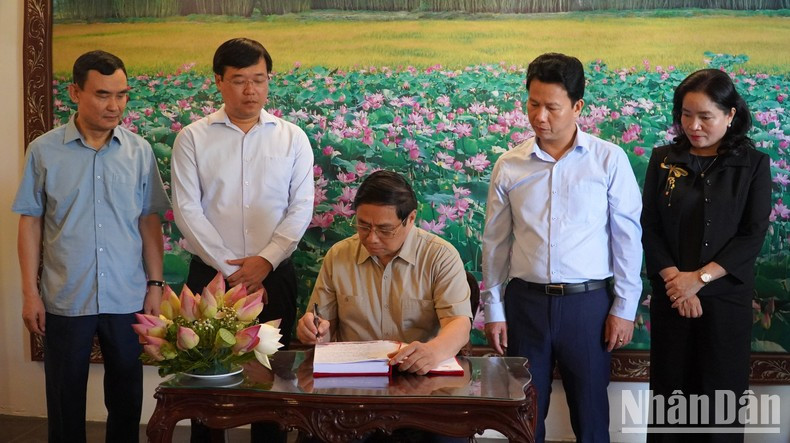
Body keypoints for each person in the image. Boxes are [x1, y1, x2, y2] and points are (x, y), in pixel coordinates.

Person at [481, 52, 643, 443]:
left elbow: (627, 239)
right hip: (526, 306)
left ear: (577, 107)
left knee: (590, 419)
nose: (540, 117)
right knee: (524, 419)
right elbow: (495, 244)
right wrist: (495, 310)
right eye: (533, 104)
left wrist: (624, 308)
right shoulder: (510, 165)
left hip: (587, 308)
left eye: (552, 107)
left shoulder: (608, 160)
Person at [13, 50, 170, 443]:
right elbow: (30, 223)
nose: (114, 105)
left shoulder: (139, 152)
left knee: (127, 397)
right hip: (66, 295)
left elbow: (149, 221)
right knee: (64, 401)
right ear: (75, 92)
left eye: (122, 94)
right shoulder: (44, 151)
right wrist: (30, 293)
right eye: (102, 94)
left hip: (126, 294)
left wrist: (154, 285)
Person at [170, 37, 314, 442]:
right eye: (239, 80)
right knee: (207, 384)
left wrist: (264, 262)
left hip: (275, 276)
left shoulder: (292, 138)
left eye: (259, 79)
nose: (250, 90)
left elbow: (300, 207)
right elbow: (187, 210)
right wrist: (233, 273)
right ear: (218, 81)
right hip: (210, 278)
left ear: (269, 81)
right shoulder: (192, 139)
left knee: (273, 383)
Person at [641, 69, 771, 441]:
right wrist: (675, 282)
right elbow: (649, 225)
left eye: (705, 117)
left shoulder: (753, 164)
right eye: (685, 114)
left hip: (724, 303)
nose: (693, 126)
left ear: (730, 115)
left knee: (720, 408)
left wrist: (697, 281)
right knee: (670, 403)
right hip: (673, 300)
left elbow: (752, 235)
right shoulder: (664, 159)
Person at [296, 170, 472, 443]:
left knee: (448, 436)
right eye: (363, 225)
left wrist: (431, 351)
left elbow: (459, 325)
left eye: (385, 229)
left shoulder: (440, 256)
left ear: (411, 218)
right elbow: (323, 326)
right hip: (354, 387)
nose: (372, 238)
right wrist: (314, 330)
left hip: (421, 385)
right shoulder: (339, 255)